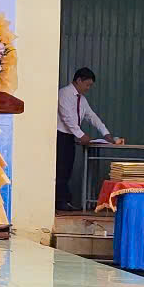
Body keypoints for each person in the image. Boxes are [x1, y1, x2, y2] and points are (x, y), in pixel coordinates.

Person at [56, 67, 123, 211]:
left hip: (71, 138)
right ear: (79, 80)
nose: (88, 88)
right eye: (87, 84)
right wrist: (81, 135)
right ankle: (60, 202)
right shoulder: (64, 94)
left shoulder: (82, 99)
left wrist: (106, 134)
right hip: (61, 137)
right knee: (61, 170)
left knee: (67, 170)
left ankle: (64, 201)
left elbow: (92, 117)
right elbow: (67, 118)